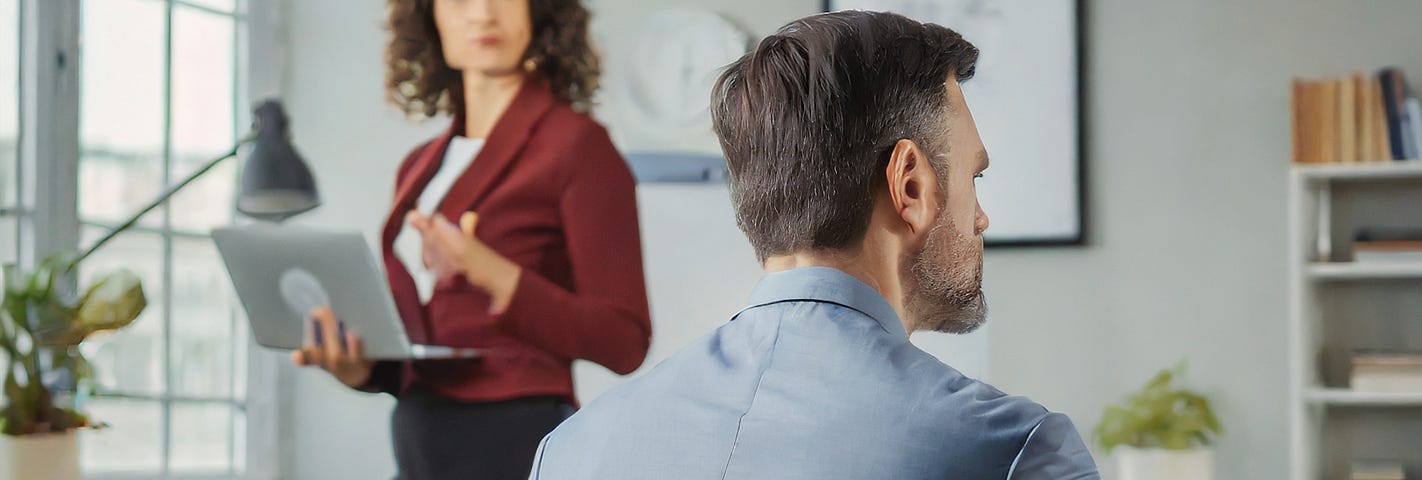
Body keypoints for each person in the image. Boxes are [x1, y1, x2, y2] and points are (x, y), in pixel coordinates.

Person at [529, 10, 1099, 480]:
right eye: (974, 178)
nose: (981, 216)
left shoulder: (571, 452)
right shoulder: (1012, 453)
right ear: (911, 185)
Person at [289, 0, 651, 478]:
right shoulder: (418, 166)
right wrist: (360, 370)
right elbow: (435, 341)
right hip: (420, 449)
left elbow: (625, 340)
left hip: (513, 443)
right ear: (429, 16)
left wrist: (493, 273)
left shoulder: (579, 147)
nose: (482, 13)